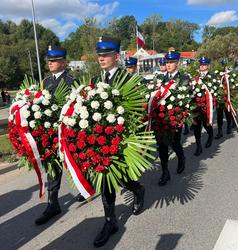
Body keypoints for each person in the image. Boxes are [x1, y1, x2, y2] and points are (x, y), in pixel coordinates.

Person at [91, 36, 145, 248]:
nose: (101, 58)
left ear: (116, 56)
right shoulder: (97, 79)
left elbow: (137, 111)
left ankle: (138, 189)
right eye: (99, 55)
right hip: (100, 141)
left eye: (105, 55)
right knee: (105, 181)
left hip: (121, 141)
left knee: (121, 178)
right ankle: (110, 221)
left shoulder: (128, 78)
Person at [35, 45, 79, 225]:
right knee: (52, 169)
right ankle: (53, 204)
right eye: (49, 60)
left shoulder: (71, 81)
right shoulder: (45, 82)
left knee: (78, 163)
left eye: (54, 60)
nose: (50, 63)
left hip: (68, 132)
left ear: (63, 62)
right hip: (50, 134)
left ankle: (86, 188)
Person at [157, 50, 188, 186]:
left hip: (176, 118)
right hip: (161, 118)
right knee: (162, 146)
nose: (168, 65)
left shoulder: (184, 79)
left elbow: (187, 99)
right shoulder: (161, 79)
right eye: (167, 62)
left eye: (171, 62)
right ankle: (165, 172)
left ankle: (181, 158)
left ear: (177, 63)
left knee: (175, 143)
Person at [193, 57, 214, 155]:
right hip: (196, 106)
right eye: (201, 64)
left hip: (207, 106)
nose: (202, 66)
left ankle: (210, 136)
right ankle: (198, 146)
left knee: (206, 125)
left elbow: (215, 91)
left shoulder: (212, 77)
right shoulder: (195, 76)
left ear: (208, 66)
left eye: (204, 64)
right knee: (196, 127)